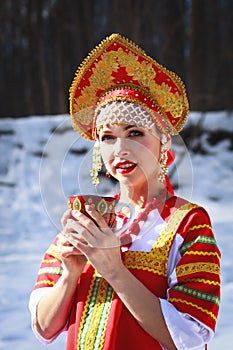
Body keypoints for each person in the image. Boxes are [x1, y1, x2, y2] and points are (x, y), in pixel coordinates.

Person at [29, 34, 221, 350]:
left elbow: (188, 336)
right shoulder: (88, 218)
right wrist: (69, 273)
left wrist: (113, 270)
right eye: (107, 137)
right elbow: (45, 328)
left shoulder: (188, 224)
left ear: (164, 142)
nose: (121, 149)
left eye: (135, 133)